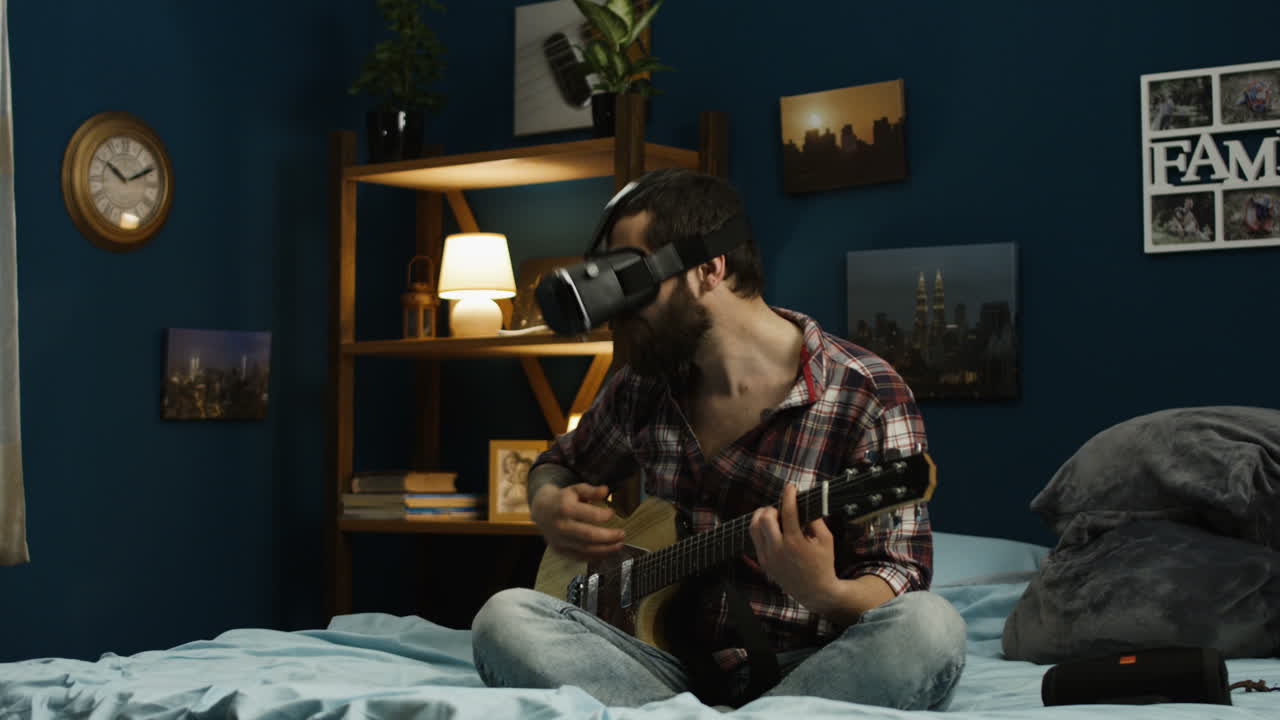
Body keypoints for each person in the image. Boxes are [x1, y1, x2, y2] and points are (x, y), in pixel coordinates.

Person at [470, 168, 966, 710]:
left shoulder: (863, 392)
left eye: (631, 281)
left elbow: (900, 578)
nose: (618, 313)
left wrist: (825, 592)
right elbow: (561, 463)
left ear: (710, 268)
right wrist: (546, 499)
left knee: (930, 628)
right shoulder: (643, 388)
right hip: (656, 663)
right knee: (505, 617)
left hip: (804, 667)